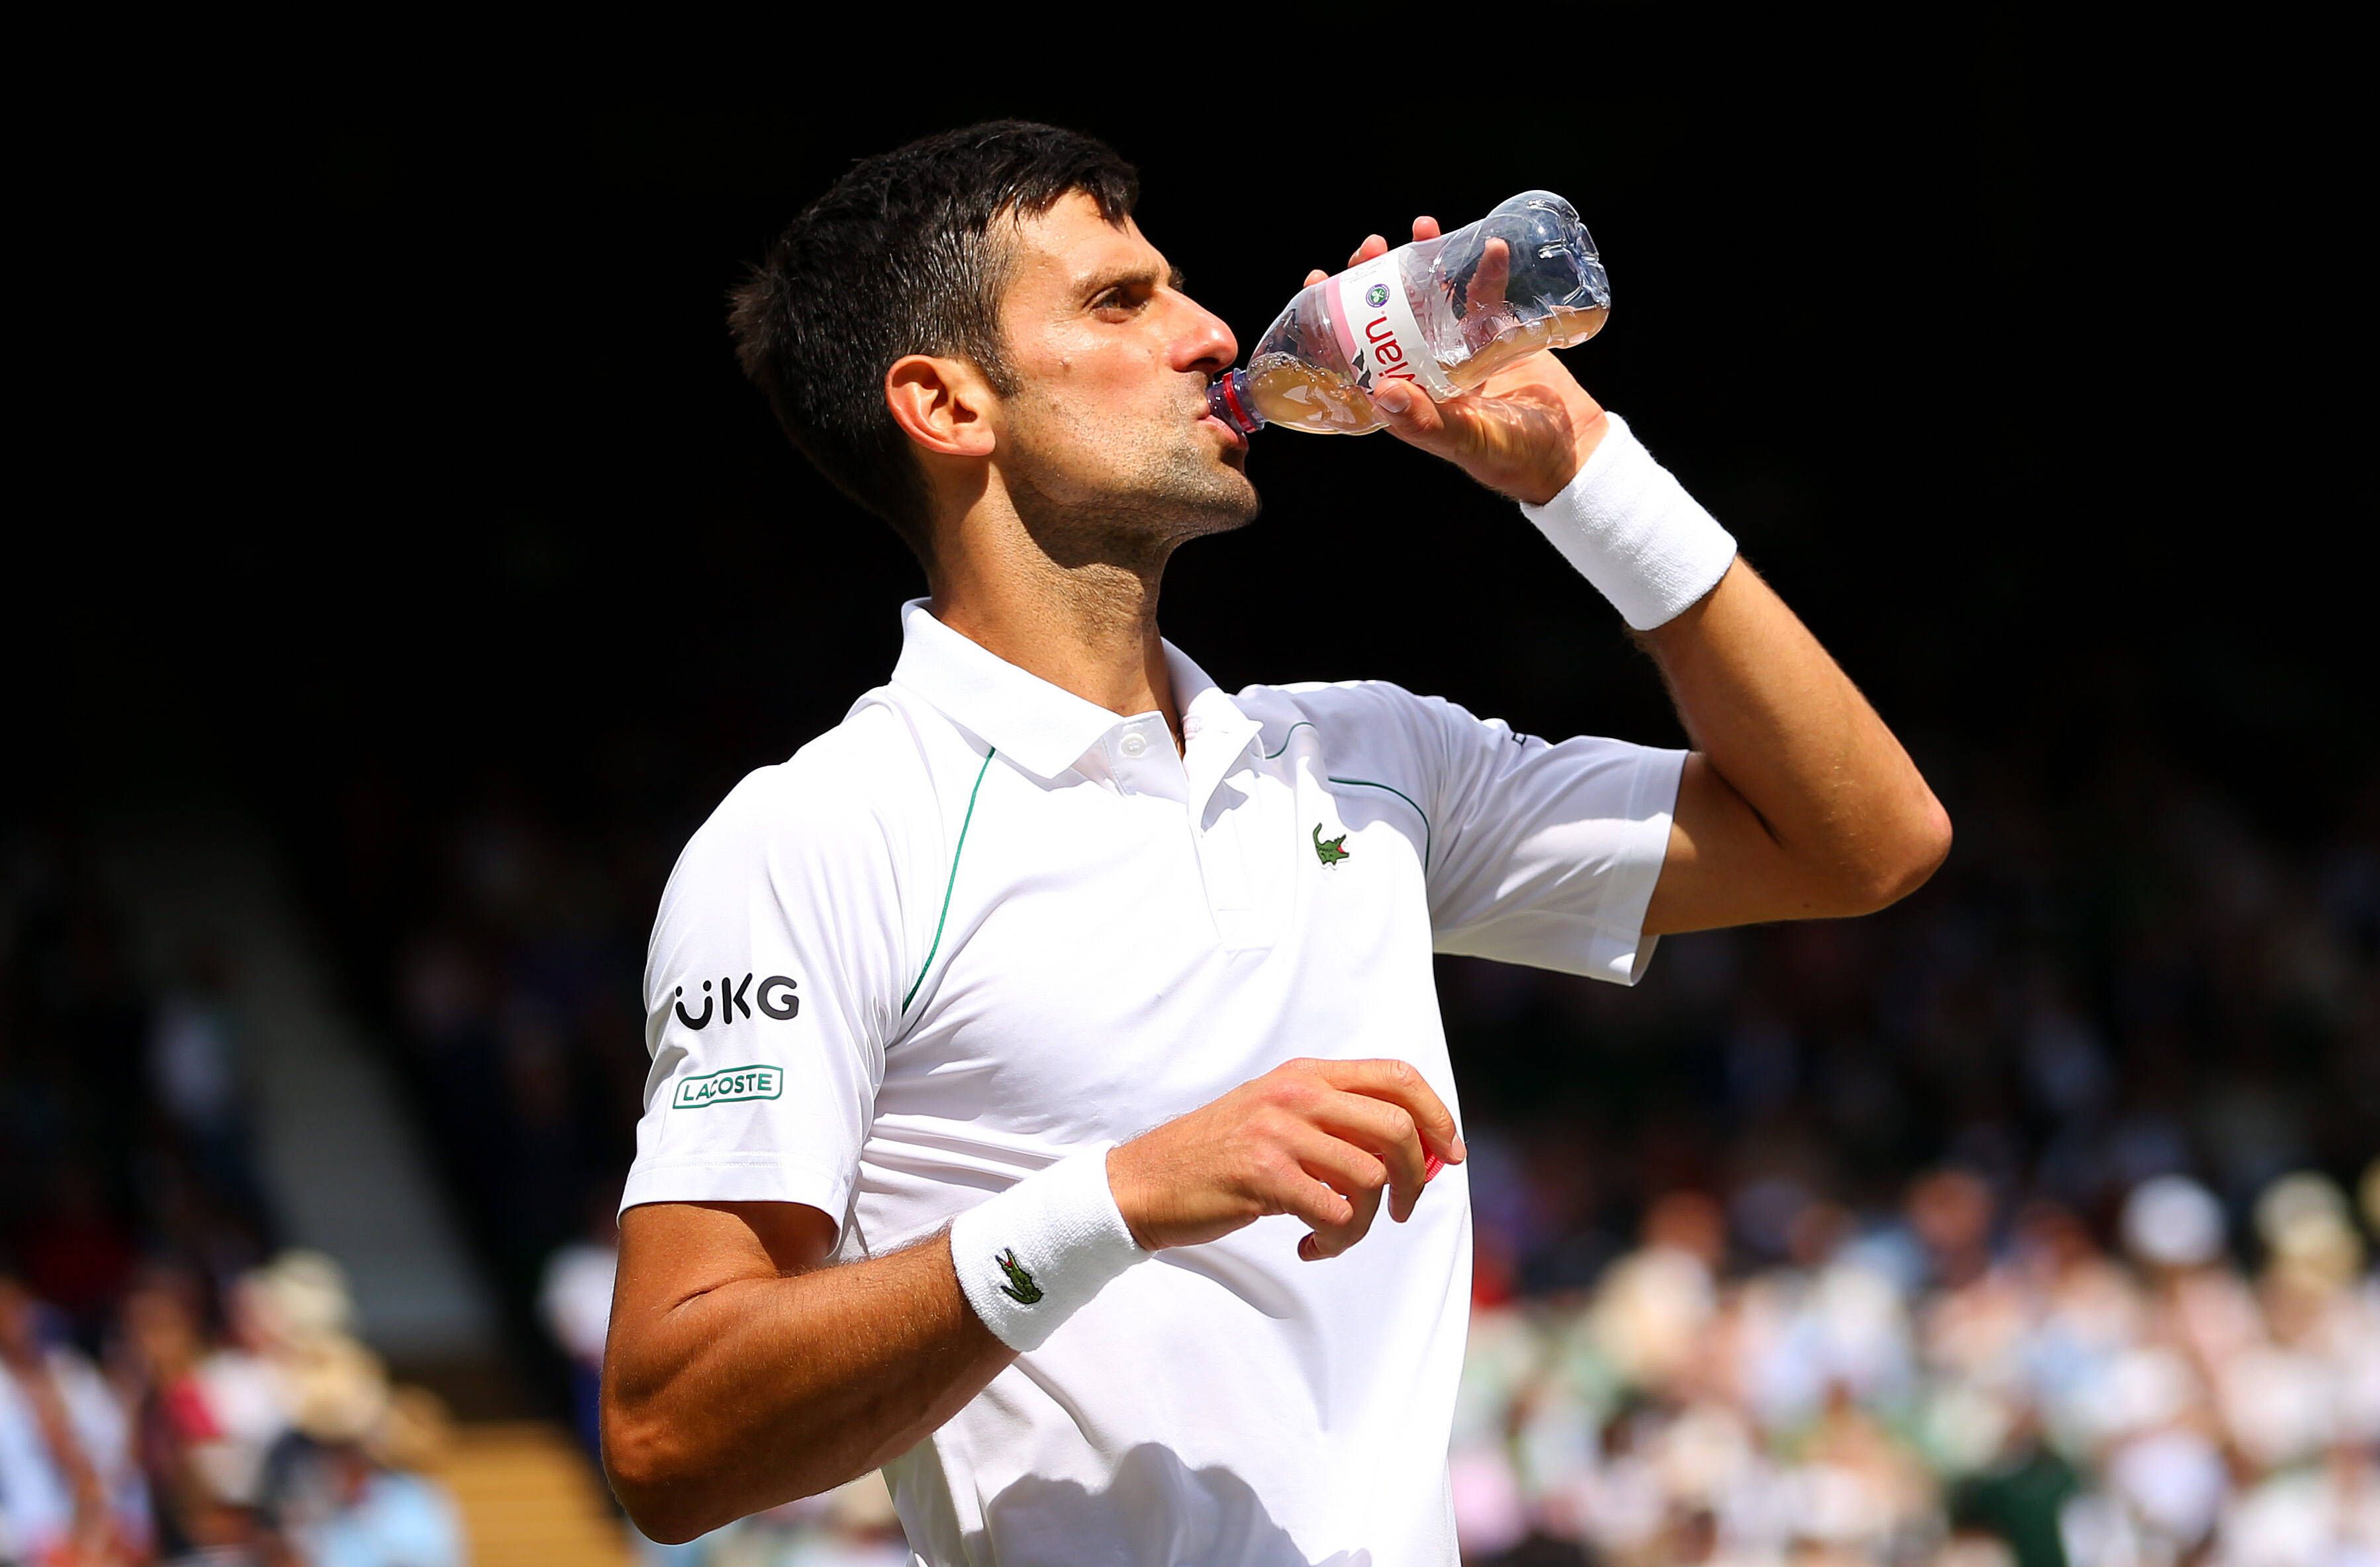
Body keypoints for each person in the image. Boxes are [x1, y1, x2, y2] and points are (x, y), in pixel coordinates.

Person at [599, 122, 1950, 1566]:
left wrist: (1583, 477)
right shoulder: (816, 837)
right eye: (1120, 302)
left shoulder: (1364, 753)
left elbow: (1863, 838)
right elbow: (670, 1438)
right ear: (944, 404)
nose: (1209, 333)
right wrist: (1112, 1198)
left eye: (1179, 286)